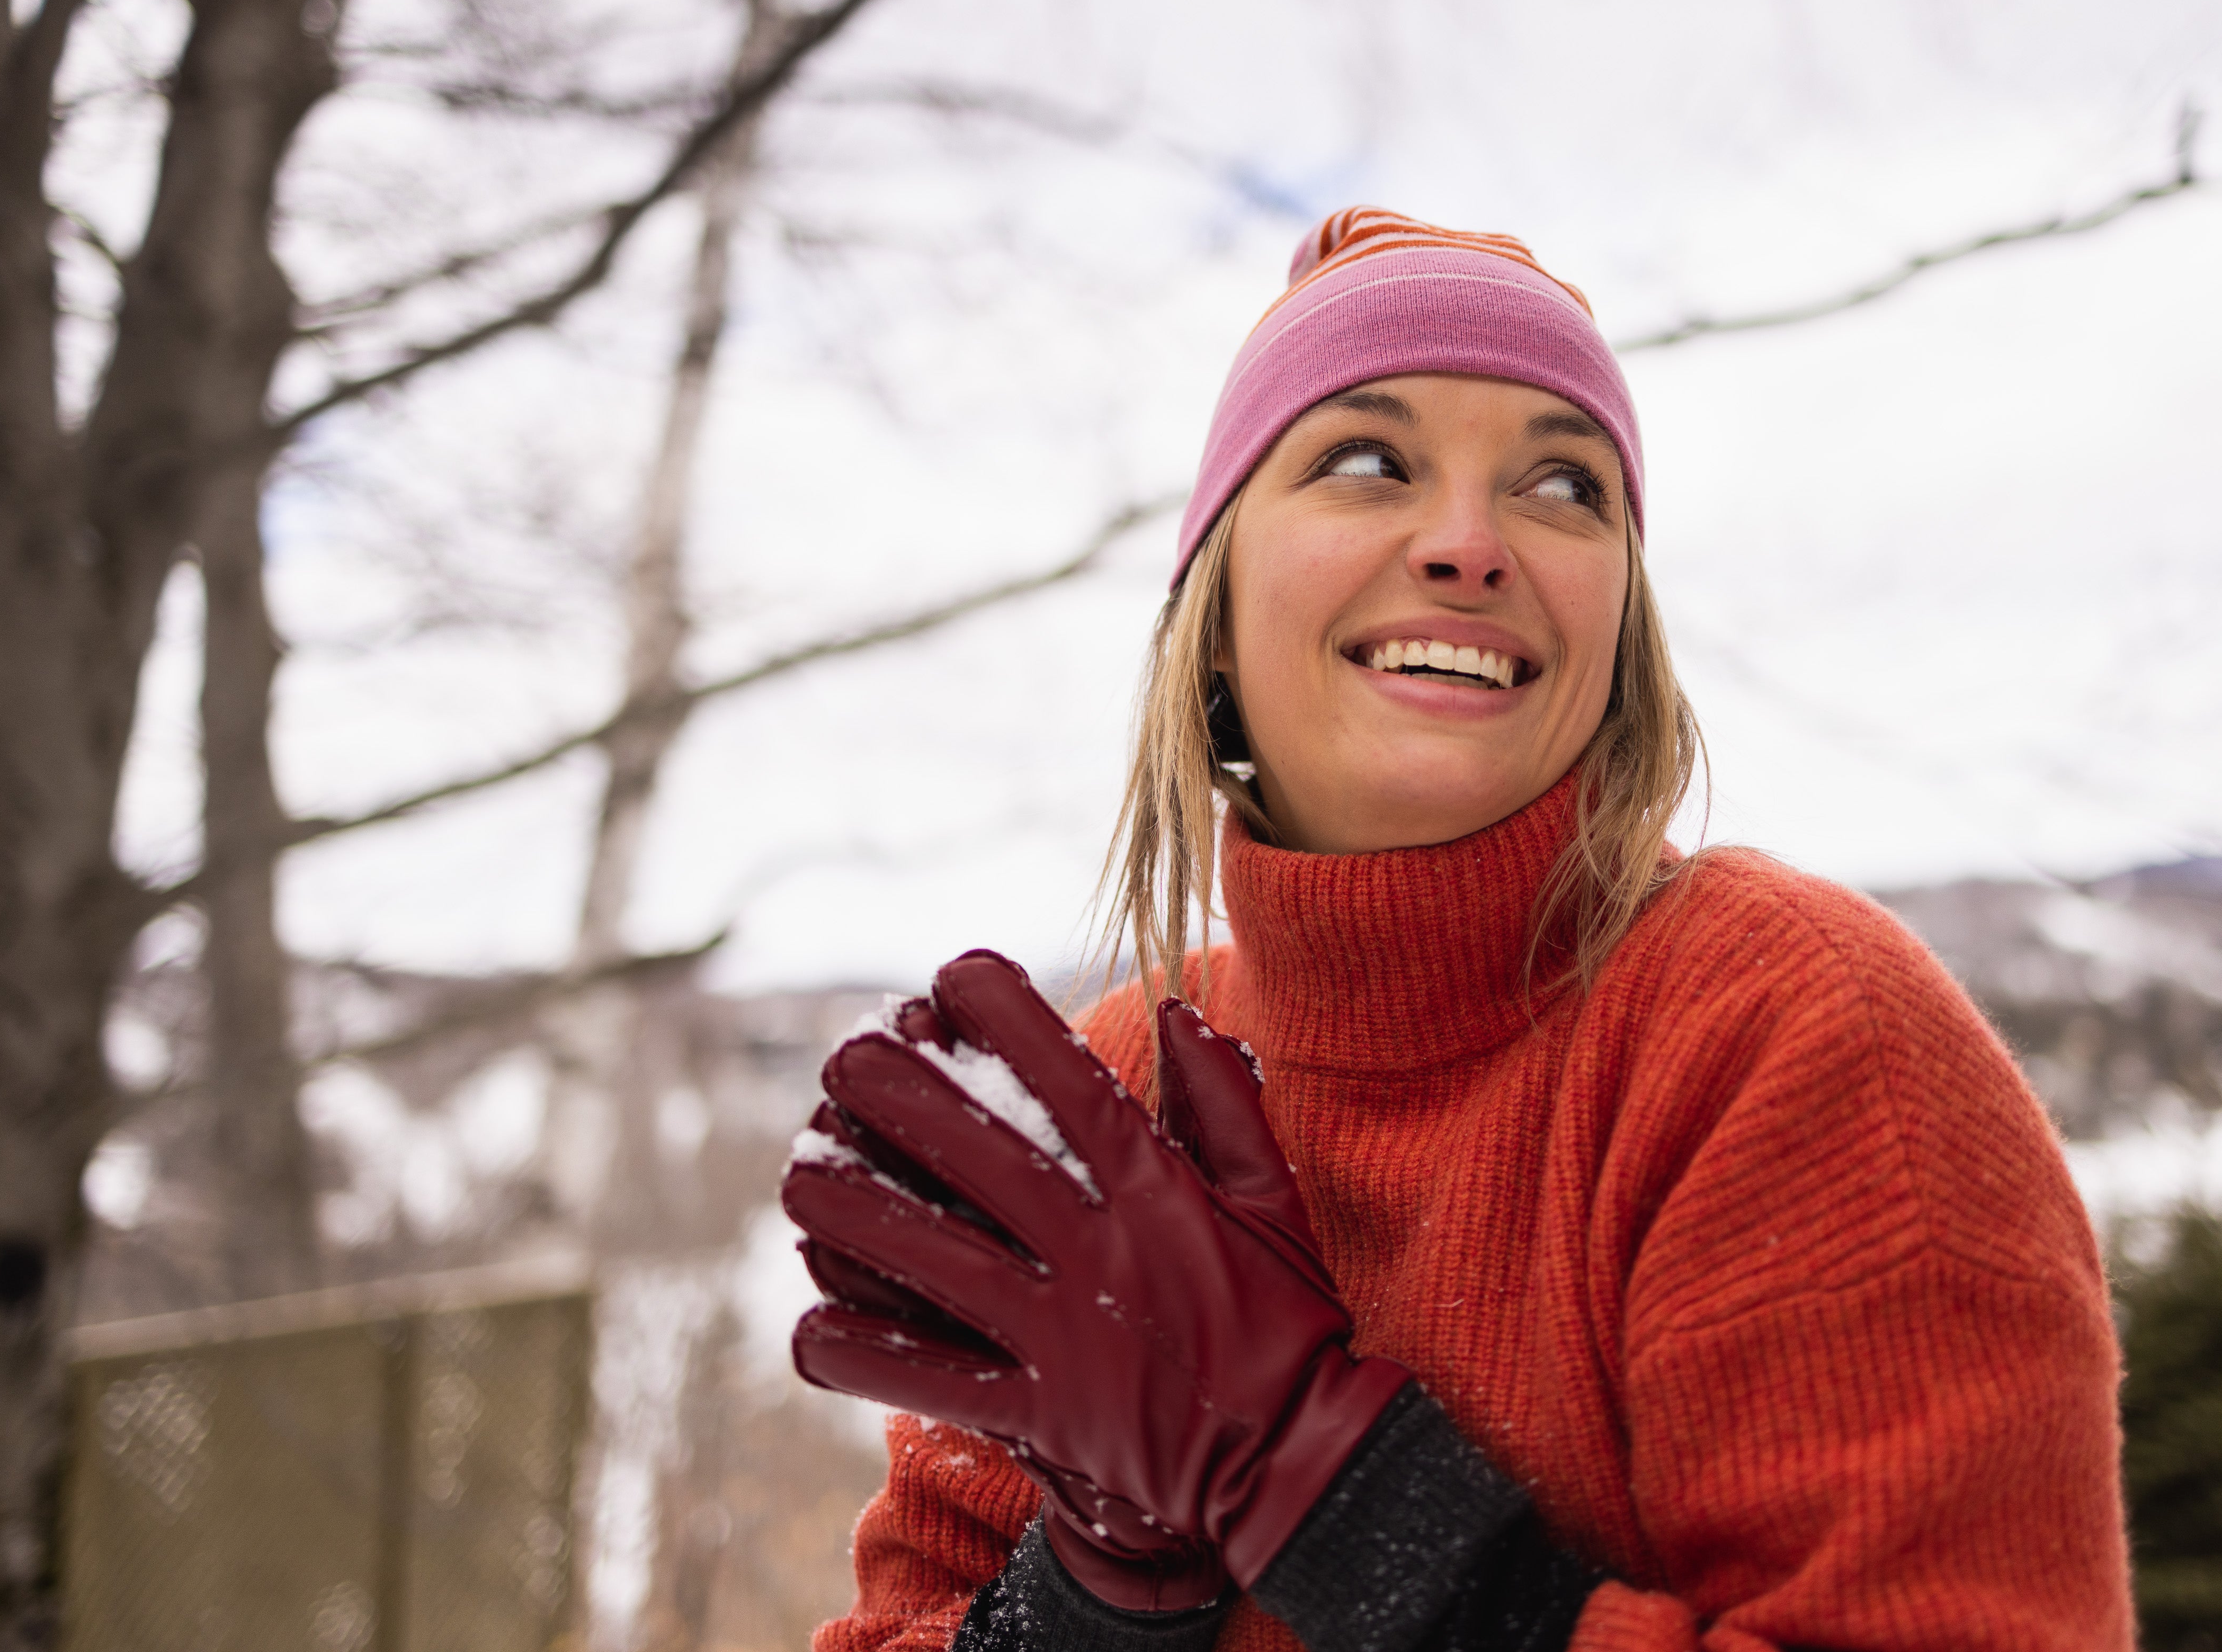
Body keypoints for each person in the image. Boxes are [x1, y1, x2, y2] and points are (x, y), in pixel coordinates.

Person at [780, 209, 2135, 1652]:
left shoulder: (1788, 1033)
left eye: (1565, 484)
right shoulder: (1120, 1092)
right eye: (1367, 461)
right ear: (1217, 610)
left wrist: (1339, 1501)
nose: (1473, 545)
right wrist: (1108, 1591)